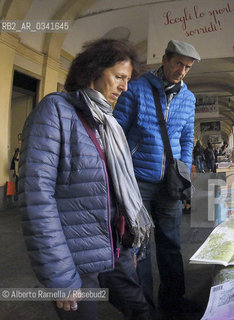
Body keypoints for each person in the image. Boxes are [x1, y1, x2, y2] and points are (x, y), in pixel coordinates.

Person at [19, 39, 154, 320]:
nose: (124, 87)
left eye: (127, 80)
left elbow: (117, 191)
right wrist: (60, 275)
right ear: (93, 71)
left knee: (141, 310)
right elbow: (37, 196)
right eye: (119, 77)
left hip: (115, 249)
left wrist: (128, 241)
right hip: (76, 261)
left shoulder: (109, 123)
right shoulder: (55, 111)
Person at [113, 39, 200, 315]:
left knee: (171, 244)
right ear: (164, 59)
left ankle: (174, 302)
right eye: (178, 64)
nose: (182, 71)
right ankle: (144, 307)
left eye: (187, 67)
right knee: (140, 247)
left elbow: (187, 138)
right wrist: (122, 173)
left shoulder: (188, 98)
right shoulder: (137, 88)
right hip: (138, 180)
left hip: (169, 183)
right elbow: (118, 132)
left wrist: (182, 168)